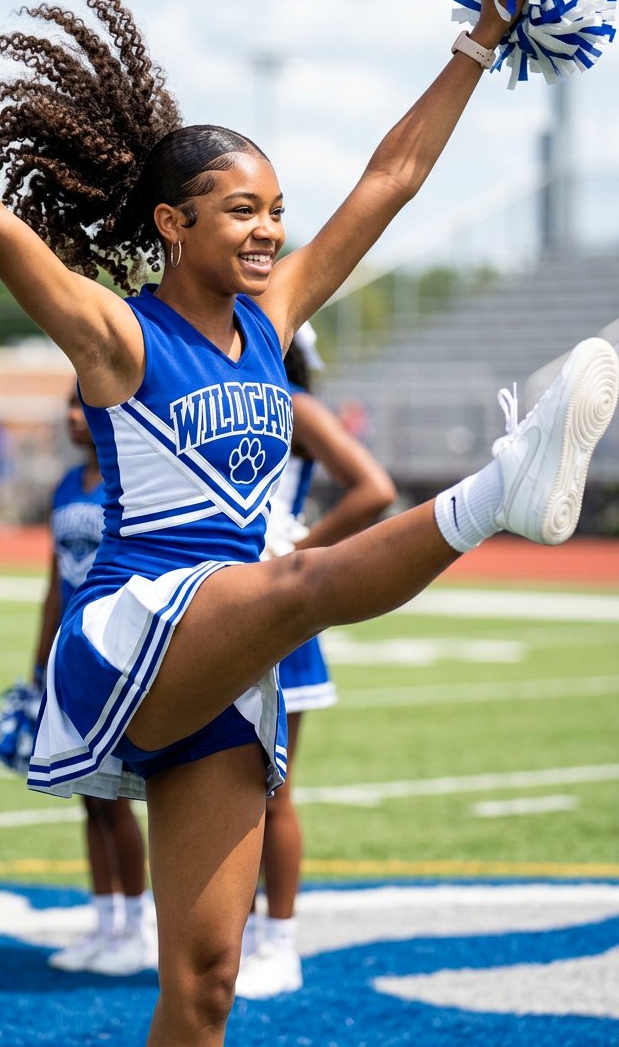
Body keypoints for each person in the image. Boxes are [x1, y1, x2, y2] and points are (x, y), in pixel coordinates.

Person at [0, 0, 618, 1046]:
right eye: (241, 211)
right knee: (299, 584)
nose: (268, 231)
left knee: (206, 980)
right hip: (138, 620)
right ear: (173, 223)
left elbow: (390, 178)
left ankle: (499, 488)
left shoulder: (272, 321)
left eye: (275, 212)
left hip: (226, 663)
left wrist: (484, 31)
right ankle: (500, 485)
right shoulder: (115, 335)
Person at [236, 330, 396, 999]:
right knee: (208, 785)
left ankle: (279, 941)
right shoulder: (211, 394)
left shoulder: (293, 404)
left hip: (273, 611)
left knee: (271, 789)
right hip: (215, 605)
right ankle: (229, 933)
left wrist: (300, 547)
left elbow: (373, 488)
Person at [33, 386, 152, 976]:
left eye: (82, 406)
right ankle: (105, 922)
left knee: (116, 795)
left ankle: (138, 925)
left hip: (114, 647)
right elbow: (51, 581)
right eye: (67, 407)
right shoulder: (62, 484)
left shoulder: (133, 475)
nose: (71, 417)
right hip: (70, 647)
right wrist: (40, 661)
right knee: (87, 796)